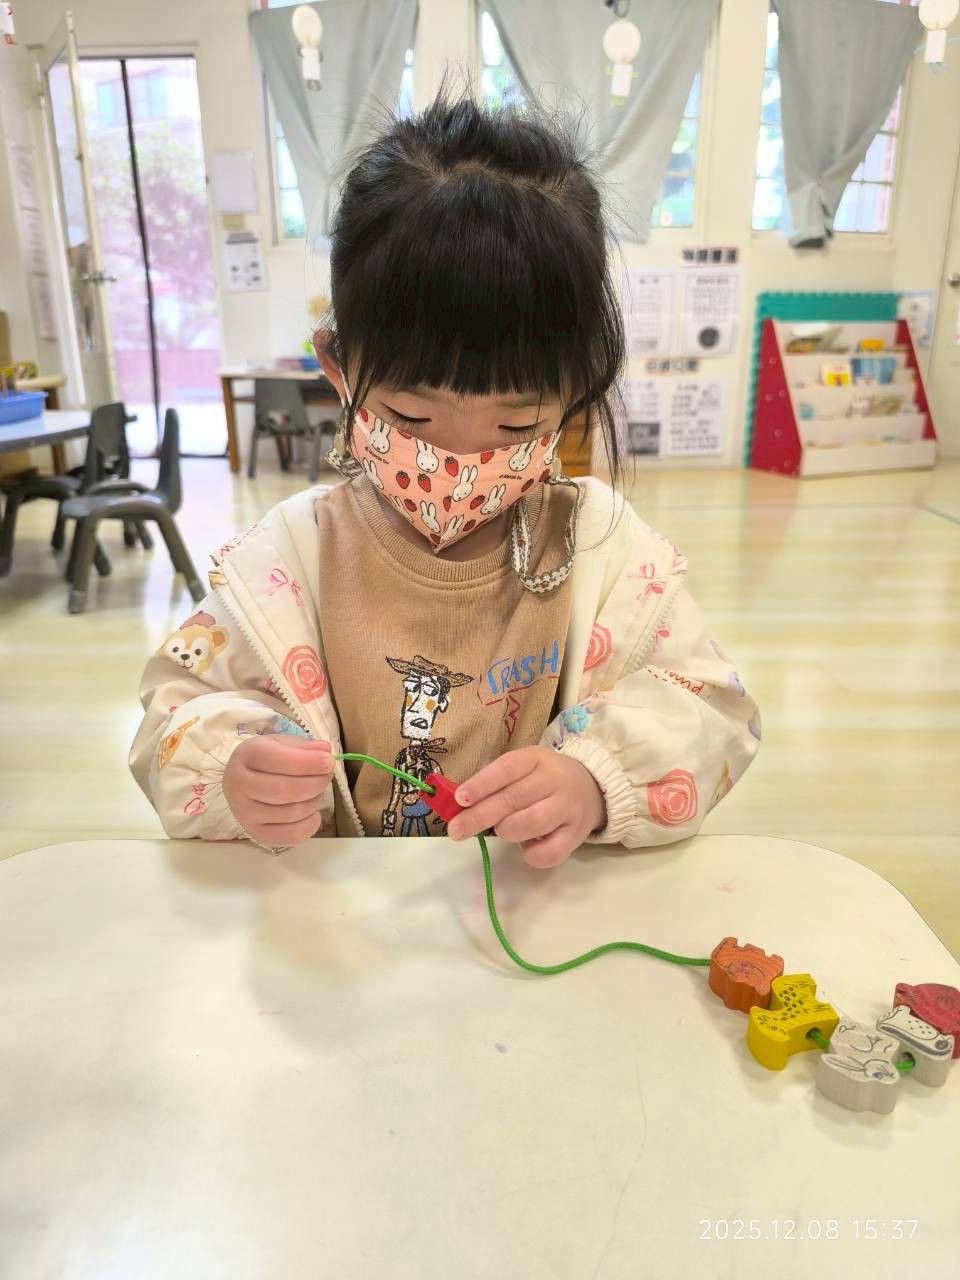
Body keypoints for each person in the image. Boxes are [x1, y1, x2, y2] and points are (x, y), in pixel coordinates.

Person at [130, 90, 760, 868]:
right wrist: (232, 768)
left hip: (532, 907)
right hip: (344, 913)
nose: (459, 463)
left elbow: (713, 709)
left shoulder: (603, 551)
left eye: (514, 426)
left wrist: (598, 779)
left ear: (577, 390)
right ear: (337, 368)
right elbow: (173, 712)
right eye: (411, 417)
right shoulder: (289, 558)